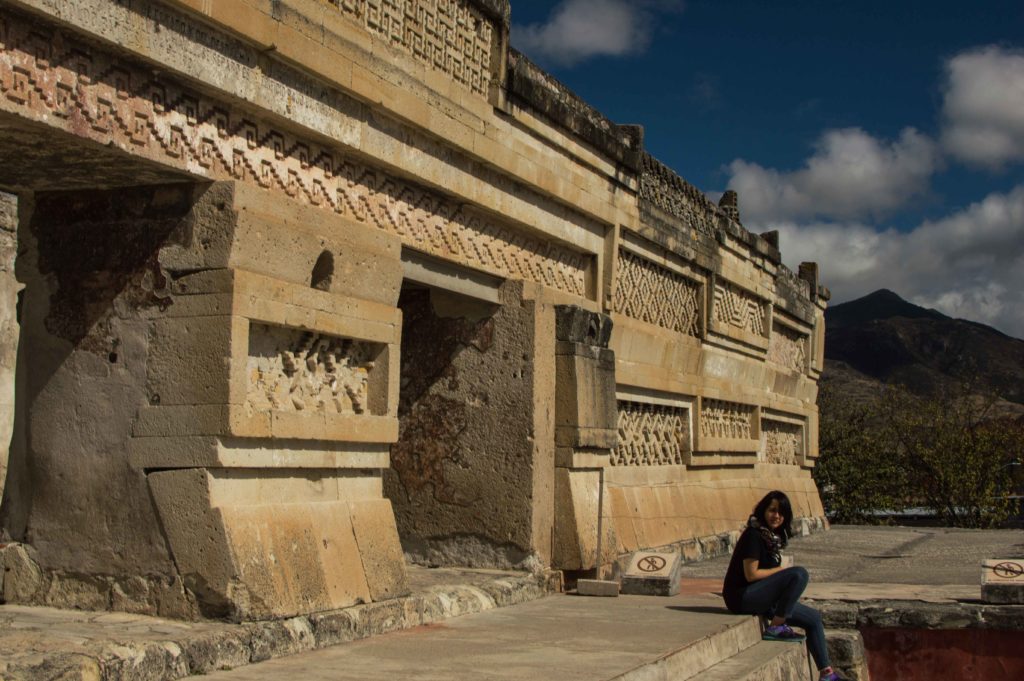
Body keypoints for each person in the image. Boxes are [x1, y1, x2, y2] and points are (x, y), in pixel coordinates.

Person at [722, 490, 845, 681]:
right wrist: (783, 570)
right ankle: (776, 627)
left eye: (781, 513)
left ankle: (826, 674)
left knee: (813, 618)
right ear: (763, 510)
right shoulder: (753, 535)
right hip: (741, 597)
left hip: (763, 598)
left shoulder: (771, 538)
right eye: (772, 510)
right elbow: (751, 574)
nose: (776, 516)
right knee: (799, 574)